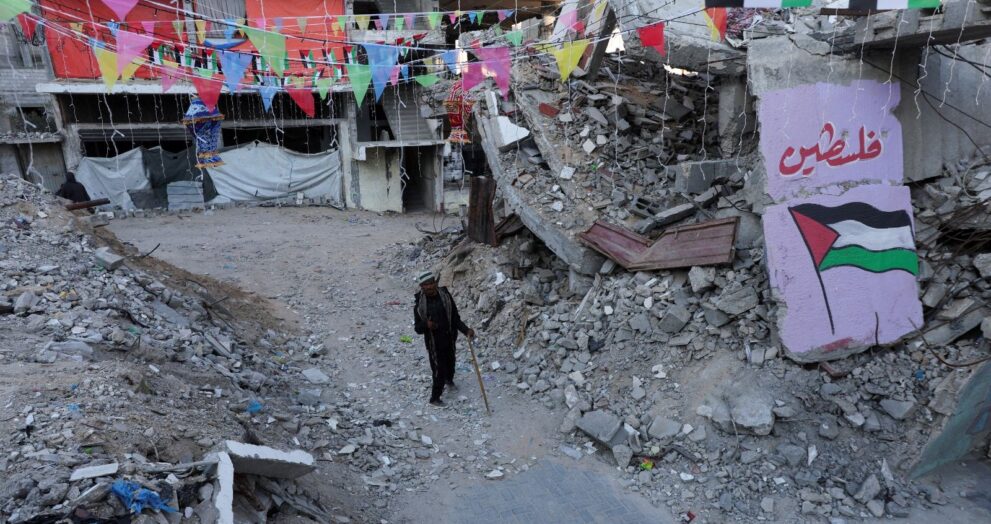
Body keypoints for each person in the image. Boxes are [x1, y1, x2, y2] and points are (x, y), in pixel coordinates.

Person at [413, 271, 474, 407]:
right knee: (438, 369)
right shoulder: (419, 306)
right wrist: (426, 325)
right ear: (422, 287)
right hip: (434, 342)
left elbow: (455, 318)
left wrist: (466, 330)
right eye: (425, 285)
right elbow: (417, 329)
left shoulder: (446, 296)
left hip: (450, 337)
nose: (429, 287)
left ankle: (449, 380)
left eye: (431, 283)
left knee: (451, 362)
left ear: (435, 283)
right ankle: (435, 398)